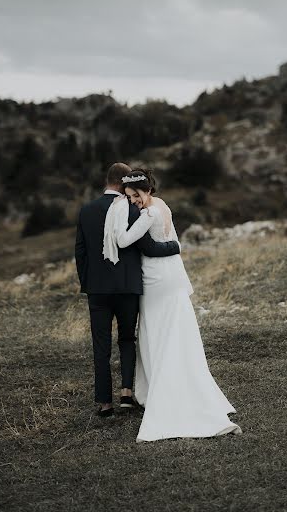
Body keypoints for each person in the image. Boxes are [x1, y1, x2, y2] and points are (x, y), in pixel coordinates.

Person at [103, 168, 242, 441]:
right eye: (128, 197)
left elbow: (124, 240)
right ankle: (169, 387)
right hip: (172, 278)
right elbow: (175, 243)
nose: (132, 201)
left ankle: (164, 394)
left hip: (157, 283)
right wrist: (175, 247)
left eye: (134, 196)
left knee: (157, 334)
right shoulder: (163, 205)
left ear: (147, 190)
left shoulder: (150, 213)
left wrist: (118, 218)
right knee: (175, 333)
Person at [74, 163, 181, 417]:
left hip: (98, 289)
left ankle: (104, 402)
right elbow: (148, 247)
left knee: (100, 344)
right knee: (126, 339)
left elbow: (81, 251)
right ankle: (125, 393)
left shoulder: (87, 210)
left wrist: (88, 284)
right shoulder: (132, 210)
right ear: (123, 183)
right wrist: (176, 246)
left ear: (106, 180)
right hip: (127, 286)